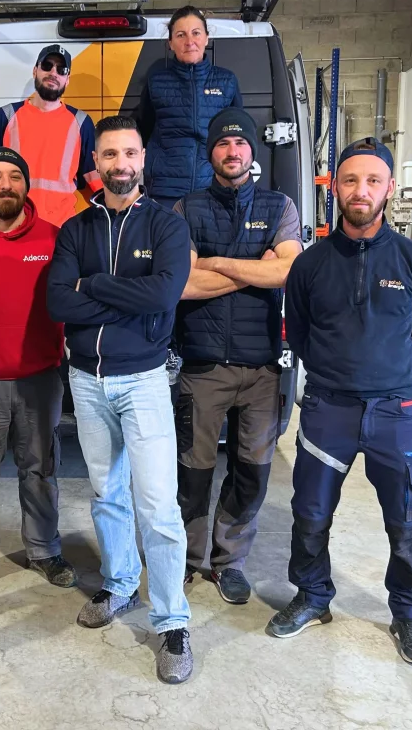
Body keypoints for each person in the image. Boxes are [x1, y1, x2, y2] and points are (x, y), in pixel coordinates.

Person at [271, 137, 412, 667]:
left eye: (372, 180)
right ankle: (313, 596)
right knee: (310, 511)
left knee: (408, 518)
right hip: (328, 409)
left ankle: (409, 613)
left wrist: (390, 379)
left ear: (389, 189)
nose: (360, 191)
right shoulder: (310, 265)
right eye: (350, 180)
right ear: (335, 189)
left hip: (396, 411)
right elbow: (298, 333)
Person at [46, 115, 194, 684]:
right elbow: (59, 304)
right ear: (96, 165)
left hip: (144, 381)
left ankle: (172, 622)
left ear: (143, 160)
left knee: (156, 503)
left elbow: (163, 292)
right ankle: (120, 585)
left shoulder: (166, 227)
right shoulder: (74, 230)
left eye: (130, 152)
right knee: (107, 494)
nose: (121, 164)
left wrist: (93, 287)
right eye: (110, 154)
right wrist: (125, 299)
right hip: (86, 380)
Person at [174, 108, 303, 604]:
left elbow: (289, 272)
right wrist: (256, 266)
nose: (233, 152)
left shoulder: (279, 206)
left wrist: (214, 264)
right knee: (194, 471)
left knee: (251, 472)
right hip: (204, 365)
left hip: (263, 369)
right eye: (223, 145)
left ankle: (229, 562)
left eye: (241, 144)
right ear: (211, 154)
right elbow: (183, 284)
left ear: (253, 152)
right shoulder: (187, 208)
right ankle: (188, 559)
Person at [0, 146, 76, 600]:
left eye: (15, 177)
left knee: (40, 469)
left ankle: (44, 550)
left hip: (41, 377)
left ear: (26, 185)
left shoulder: (54, 237)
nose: (5, 185)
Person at [136, 5, 243, 207]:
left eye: (196, 33)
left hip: (214, 188)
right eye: (180, 35)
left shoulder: (226, 80)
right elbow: (144, 129)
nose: (189, 42)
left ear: (206, 38)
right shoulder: (156, 81)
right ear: (170, 43)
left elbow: (239, 134)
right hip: (165, 190)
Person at [0, 43, 102, 227]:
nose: (53, 73)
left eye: (61, 69)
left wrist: (119, 210)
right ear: (35, 71)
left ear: (67, 79)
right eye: (47, 66)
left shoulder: (81, 122)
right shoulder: (6, 116)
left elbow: (94, 177)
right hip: (13, 225)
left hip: (60, 229)